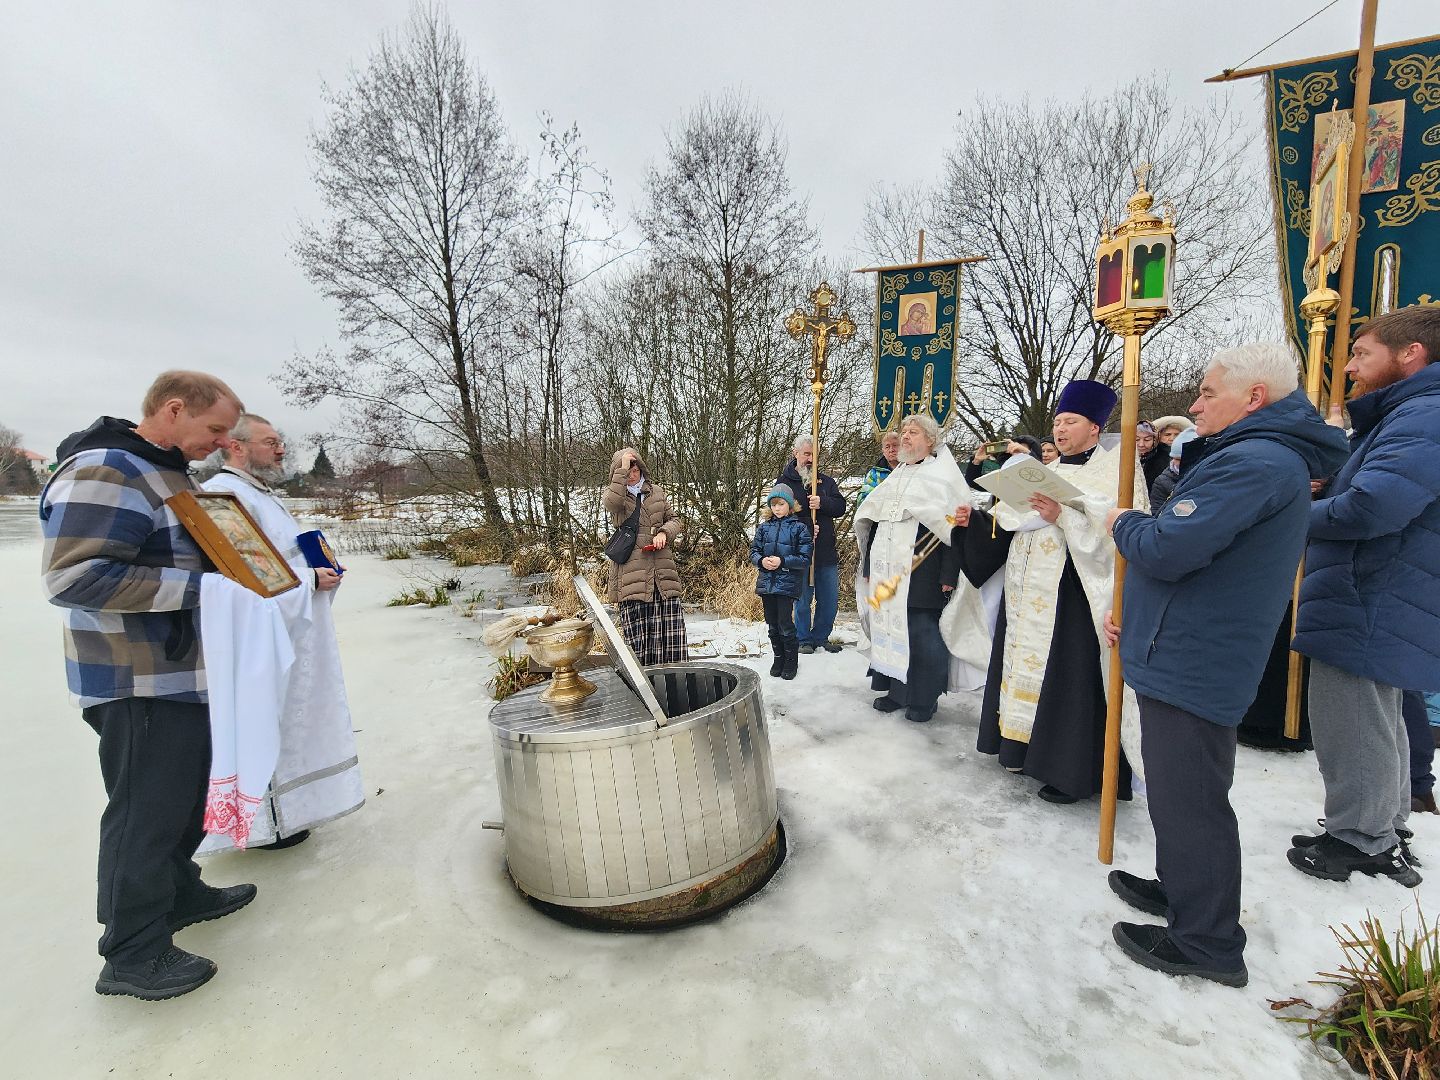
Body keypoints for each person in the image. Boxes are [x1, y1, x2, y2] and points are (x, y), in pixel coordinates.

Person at [1101, 343, 1349, 988]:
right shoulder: (1255, 459)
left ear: (1255, 396)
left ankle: (1207, 940)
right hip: (1182, 641)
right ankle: (1184, 887)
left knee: (1193, 797)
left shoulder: (1256, 463)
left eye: (1209, 393)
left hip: (1195, 655)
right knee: (1180, 789)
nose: (1195, 403)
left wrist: (1124, 522)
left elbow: (1171, 546)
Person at [40, 371, 256, 1001]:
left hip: (183, 673)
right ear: (172, 408)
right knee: (145, 812)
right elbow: (74, 579)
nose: (219, 444)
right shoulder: (110, 470)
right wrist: (207, 591)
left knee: (185, 798)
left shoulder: (167, 473)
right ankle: (131, 952)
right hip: (135, 679)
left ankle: (178, 891)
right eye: (213, 429)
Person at [1288, 306, 1440, 888]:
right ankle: (1381, 823)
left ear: (1411, 354)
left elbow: (1375, 507)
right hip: (1381, 586)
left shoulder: (1422, 415)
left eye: (1361, 353)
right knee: (1379, 715)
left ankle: (1360, 841)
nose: (1350, 367)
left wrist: (1292, 514)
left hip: (1371, 588)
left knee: (1353, 714)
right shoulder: (1410, 414)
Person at [952, 380, 1141, 804]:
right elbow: (1009, 520)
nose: (1060, 429)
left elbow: (1122, 534)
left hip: (1073, 596)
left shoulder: (1117, 472)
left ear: (1094, 427)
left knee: (1069, 676)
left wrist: (1064, 517)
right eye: (1056, 422)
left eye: (1070, 421)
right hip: (1026, 596)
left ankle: (1071, 772)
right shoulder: (1045, 471)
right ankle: (1020, 750)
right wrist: (973, 522)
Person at [200, 414, 365, 851]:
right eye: (270, 442)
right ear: (236, 446)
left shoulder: (257, 494)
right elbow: (243, 579)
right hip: (262, 642)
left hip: (294, 631)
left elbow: (279, 560)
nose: (280, 450)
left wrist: (318, 569)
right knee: (267, 721)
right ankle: (266, 823)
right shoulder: (223, 495)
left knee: (295, 718)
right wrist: (309, 580)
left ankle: (290, 813)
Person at [854, 414, 983, 723]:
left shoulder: (943, 478)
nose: (906, 437)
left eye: (913, 432)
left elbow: (954, 531)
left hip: (923, 573)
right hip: (887, 573)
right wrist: (870, 565)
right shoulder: (895, 475)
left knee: (923, 637)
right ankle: (898, 693)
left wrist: (948, 576)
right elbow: (875, 523)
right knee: (891, 630)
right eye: (904, 432)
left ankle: (924, 700)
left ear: (931, 441)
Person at [604, 447, 687, 666]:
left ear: (641, 468)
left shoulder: (657, 492)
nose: (631, 475)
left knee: (671, 638)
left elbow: (676, 520)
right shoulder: (616, 497)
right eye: (626, 471)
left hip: (662, 570)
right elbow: (611, 503)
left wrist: (664, 532)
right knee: (639, 643)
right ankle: (645, 691)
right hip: (633, 573)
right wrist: (621, 468)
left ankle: (675, 689)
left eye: (634, 470)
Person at [778, 436, 846, 654]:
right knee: (803, 599)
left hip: (825, 551)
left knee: (829, 600)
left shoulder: (826, 482)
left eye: (814, 455)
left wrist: (822, 502)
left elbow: (840, 507)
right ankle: (803, 638)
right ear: (795, 453)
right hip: (800, 553)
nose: (810, 459)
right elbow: (778, 515)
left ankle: (820, 637)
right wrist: (806, 526)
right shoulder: (784, 484)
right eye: (807, 454)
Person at [750, 483, 813, 680]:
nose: (777, 508)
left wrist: (782, 561)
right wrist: (761, 560)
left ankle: (791, 660)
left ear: (790, 505)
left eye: (781, 504)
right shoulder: (764, 528)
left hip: (787, 583)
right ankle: (778, 658)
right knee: (771, 623)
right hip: (767, 582)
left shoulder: (799, 528)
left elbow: (805, 558)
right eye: (774, 505)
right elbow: (754, 551)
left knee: (785, 622)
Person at [1146, 427, 1198, 515]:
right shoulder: (1162, 481)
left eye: (1181, 459)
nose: (1177, 463)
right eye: (1175, 459)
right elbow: (1156, 512)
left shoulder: (1208, 475)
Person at [857, 430, 901, 505]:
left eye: (895, 445)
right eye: (887, 447)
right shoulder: (875, 474)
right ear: (883, 451)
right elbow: (862, 500)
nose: (891, 450)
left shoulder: (910, 468)